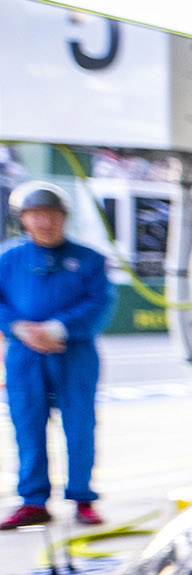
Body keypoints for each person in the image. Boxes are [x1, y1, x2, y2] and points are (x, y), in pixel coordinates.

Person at [0, 182, 112, 529]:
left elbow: (100, 303)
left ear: (64, 217)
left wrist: (57, 328)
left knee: (79, 426)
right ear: (24, 219)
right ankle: (33, 500)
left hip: (73, 353)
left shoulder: (90, 259)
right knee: (27, 425)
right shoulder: (8, 258)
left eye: (52, 215)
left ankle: (82, 497)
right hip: (24, 356)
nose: (45, 222)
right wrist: (19, 328)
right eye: (36, 215)